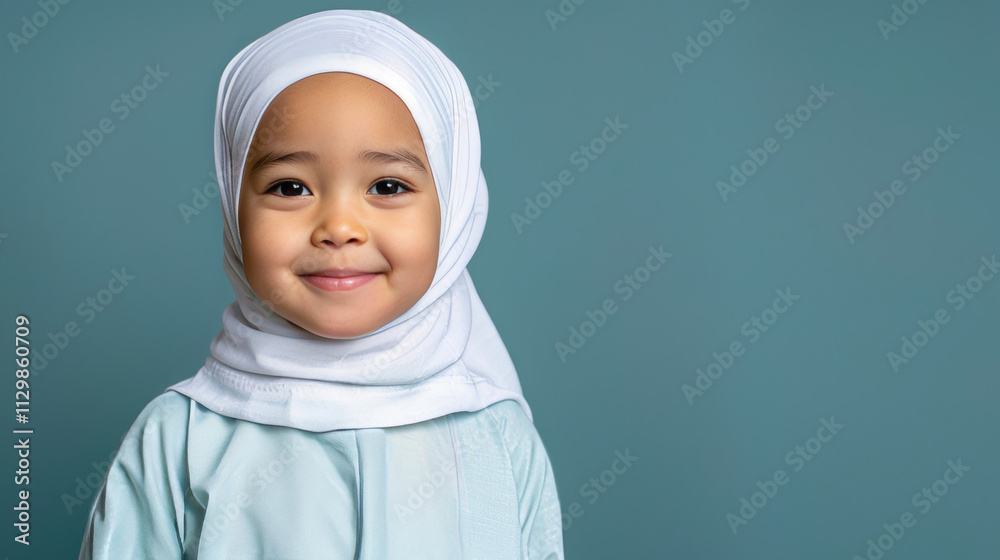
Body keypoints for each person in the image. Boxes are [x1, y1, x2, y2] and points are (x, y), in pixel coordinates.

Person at [78, 9, 564, 559]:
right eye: (290, 187)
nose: (338, 228)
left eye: (386, 185)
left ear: (452, 210)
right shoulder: (179, 440)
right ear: (234, 203)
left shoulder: (498, 437)